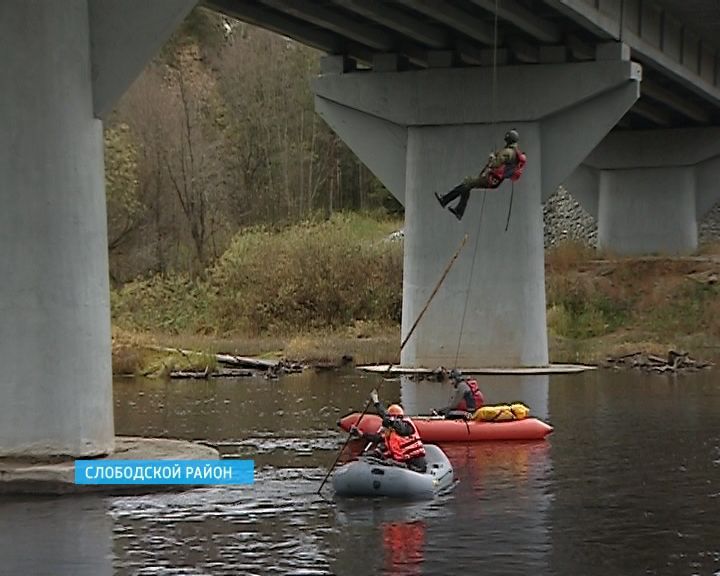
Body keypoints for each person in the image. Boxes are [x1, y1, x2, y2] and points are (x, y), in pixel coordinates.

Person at [434, 129, 527, 221]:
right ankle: (458, 210)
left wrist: (491, 158)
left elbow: (494, 164)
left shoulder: (507, 152)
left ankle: (446, 201)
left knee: (467, 182)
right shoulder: (514, 153)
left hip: (491, 178)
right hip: (496, 180)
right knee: (468, 183)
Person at [350, 389, 427, 473]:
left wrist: (377, 403)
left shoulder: (406, 427)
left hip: (415, 465)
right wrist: (360, 434)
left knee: (389, 463)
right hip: (401, 463)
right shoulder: (391, 432)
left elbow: (394, 423)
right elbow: (377, 438)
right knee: (372, 456)